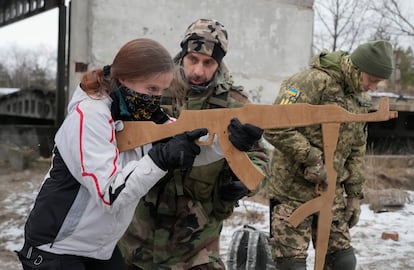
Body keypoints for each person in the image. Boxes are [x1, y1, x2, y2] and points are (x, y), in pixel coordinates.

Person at [16, 38, 211, 270]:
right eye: (151, 88)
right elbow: (110, 194)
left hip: (99, 249)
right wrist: (159, 159)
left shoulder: (138, 114)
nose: (156, 98)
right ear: (124, 78)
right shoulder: (89, 116)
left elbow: (188, 146)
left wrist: (228, 140)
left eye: (161, 90)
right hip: (56, 249)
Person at [118, 18, 270, 270]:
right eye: (193, 59)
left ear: (219, 63)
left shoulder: (235, 103)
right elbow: (119, 137)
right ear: (183, 54)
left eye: (208, 62)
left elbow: (260, 162)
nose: (198, 71)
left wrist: (241, 181)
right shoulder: (155, 86)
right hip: (137, 232)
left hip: (197, 240)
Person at [264, 40, 394, 270]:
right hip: (291, 193)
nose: (373, 87)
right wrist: (311, 157)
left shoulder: (360, 98)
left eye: (378, 82)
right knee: (291, 265)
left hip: (331, 193)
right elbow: (274, 125)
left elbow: (356, 148)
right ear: (357, 67)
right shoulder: (310, 82)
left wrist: (354, 195)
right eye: (372, 80)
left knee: (343, 261)